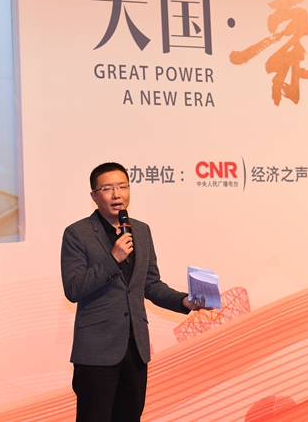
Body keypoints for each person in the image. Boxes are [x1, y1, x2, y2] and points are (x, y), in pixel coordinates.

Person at [61, 162, 208, 422]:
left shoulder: (141, 231)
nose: (117, 194)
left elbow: (150, 284)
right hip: (97, 352)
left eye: (122, 186)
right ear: (94, 196)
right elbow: (73, 289)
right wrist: (112, 259)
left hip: (135, 349)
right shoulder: (77, 233)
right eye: (107, 188)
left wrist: (184, 301)